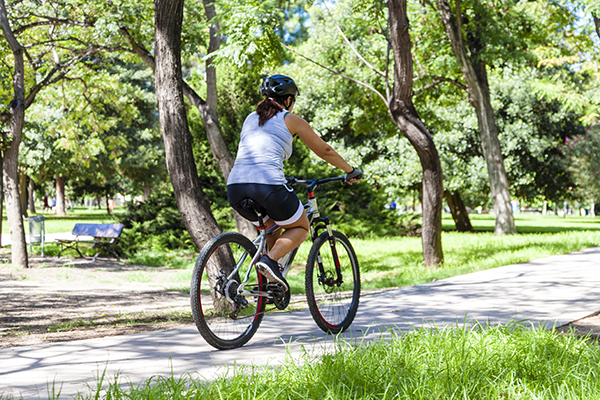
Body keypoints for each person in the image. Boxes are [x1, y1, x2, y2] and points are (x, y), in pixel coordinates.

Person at [227, 75, 363, 292]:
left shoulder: (250, 119)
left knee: (272, 227)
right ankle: (270, 260)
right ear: (288, 99)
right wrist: (350, 171)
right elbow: (324, 150)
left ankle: (272, 283)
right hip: (267, 184)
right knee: (300, 226)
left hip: (235, 187)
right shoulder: (290, 119)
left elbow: (262, 151)